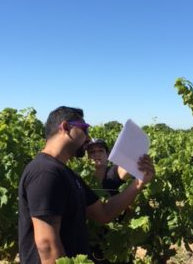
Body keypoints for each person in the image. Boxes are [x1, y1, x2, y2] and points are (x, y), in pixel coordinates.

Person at [18, 106, 155, 264]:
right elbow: (47, 246)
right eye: (84, 129)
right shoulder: (45, 172)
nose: (88, 138)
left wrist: (139, 183)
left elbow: (104, 213)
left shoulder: (66, 174)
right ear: (65, 127)